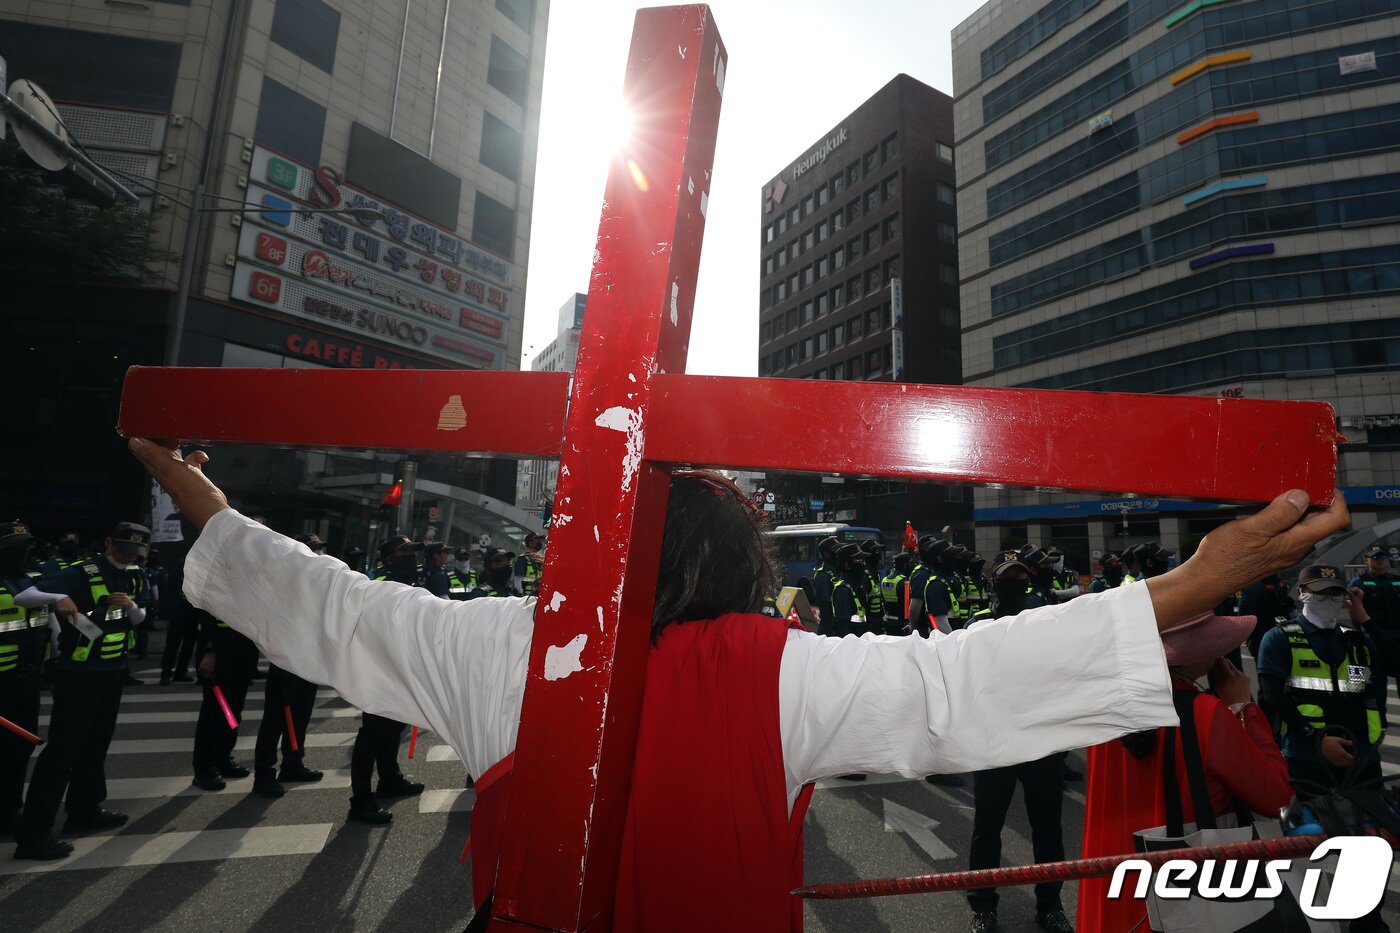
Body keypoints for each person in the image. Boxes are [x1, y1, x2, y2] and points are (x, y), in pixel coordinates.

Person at [129, 436, 1349, 929]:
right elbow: (957, 682)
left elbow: (325, 603)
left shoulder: (503, 645)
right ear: (736, 565)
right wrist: (1188, 582)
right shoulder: (782, 673)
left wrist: (202, 498)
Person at [1078, 611, 1294, 932]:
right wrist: (1243, 707)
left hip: (1109, 886)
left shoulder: (1103, 706)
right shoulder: (1207, 713)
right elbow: (1276, 795)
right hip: (1180, 894)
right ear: (1195, 655)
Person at [16, 522, 151, 860]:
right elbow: (25, 595)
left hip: (113, 671)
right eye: (122, 549)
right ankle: (34, 834)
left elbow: (140, 618)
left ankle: (84, 810)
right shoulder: (82, 571)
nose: (128, 556)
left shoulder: (134, 573)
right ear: (107, 542)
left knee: (95, 746)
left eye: (134, 551)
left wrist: (132, 606)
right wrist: (58, 598)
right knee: (63, 752)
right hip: (78, 674)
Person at [964, 551, 1066, 933]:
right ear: (994, 585)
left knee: (1048, 828)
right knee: (987, 828)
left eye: (1021, 579)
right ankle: (984, 907)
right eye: (1009, 580)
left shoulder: (1044, 622)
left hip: (1040, 740)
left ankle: (1050, 905)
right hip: (995, 742)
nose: (1017, 586)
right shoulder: (977, 627)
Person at [0, 522, 79, 838]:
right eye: (14, 547)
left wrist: (59, 659)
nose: (24, 553)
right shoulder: (23, 588)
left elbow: (46, 623)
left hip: (25, 681)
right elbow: (26, 601)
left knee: (18, 748)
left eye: (26, 546)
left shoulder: (26, 581)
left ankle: (8, 809)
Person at [348, 535, 427, 824]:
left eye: (412, 552)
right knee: (372, 734)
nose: (411, 558)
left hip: (402, 667)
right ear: (389, 558)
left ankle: (390, 779)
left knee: (394, 727)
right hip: (378, 668)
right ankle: (361, 800)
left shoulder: (411, 584)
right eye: (404, 552)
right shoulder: (376, 584)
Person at [251, 533, 328, 798]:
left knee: (300, 715)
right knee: (275, 720)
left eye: (319, 550)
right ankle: (264, 774)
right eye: (312, 549)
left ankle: (293, 763)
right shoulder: (281, 582)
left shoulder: (315, 583)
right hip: (284, 661)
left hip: (308, 660)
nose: (317, 554)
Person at [190, 600, 258, 791]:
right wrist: (210, 650)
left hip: (244, 644)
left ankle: (223, 758)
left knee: (234, 710)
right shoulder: (218, 570)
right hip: (220, 646)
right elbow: (206, 610)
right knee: (214, 711)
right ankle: (204, 768)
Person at [908, 537, 956, 636]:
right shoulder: (923, 574)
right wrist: (912, 627)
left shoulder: (940, 574)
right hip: (925, 629)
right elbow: (915, 606)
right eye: (929, 546)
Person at [1350, 545, 1400, 635]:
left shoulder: (1397, 580)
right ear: (1366, 560)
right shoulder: (1359, 582)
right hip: (1373, 634)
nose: (1379, 560)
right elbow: (1353, 609)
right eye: (1374, 557)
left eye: (1382, 557)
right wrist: (1358, 632)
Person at [828, 543, 870, 638]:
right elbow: (843, 630)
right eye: (858, 560)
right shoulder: (843, 591)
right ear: (847, 565)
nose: (862, 564)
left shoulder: (856, 587)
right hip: (850, 648)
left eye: (863, 560)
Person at [879, 552, 915, 635]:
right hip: (902, 624)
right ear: (905, 565)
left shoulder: (885, 580)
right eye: (911, 563)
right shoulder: (905, 582)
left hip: (888, 621)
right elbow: (907, 608)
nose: (913, 566)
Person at [811, 536, 840, 636]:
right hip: (829, 630)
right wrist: (831, 633)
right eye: (836, 550)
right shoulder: (822, 576)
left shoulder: (837, 571)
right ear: (827, 554)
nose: (838, 553)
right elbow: (825, 608)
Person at [514, 533, 545, 597]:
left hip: (537, 596)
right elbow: (518, 579)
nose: (540, 542)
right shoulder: (523, 558)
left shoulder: (541, 561)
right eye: (537, 540)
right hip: (526, 597)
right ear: (530, 542)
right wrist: (534, 580)